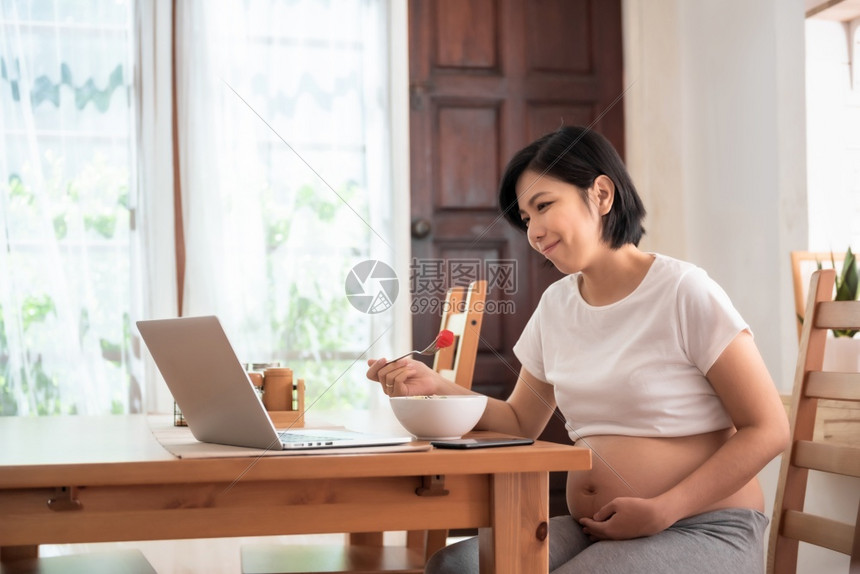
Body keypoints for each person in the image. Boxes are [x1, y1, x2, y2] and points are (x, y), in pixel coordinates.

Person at [365, 126, 789, 573]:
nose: (533, 231)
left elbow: (768, 428)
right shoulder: (557, 304)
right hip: (594, 527)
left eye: (543, 205)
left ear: (601, 194)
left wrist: (665, 508)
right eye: (526, 219)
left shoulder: (685, 291)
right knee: (457, 567)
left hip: (704, 525)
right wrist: (436, 385)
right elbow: (519, 419)